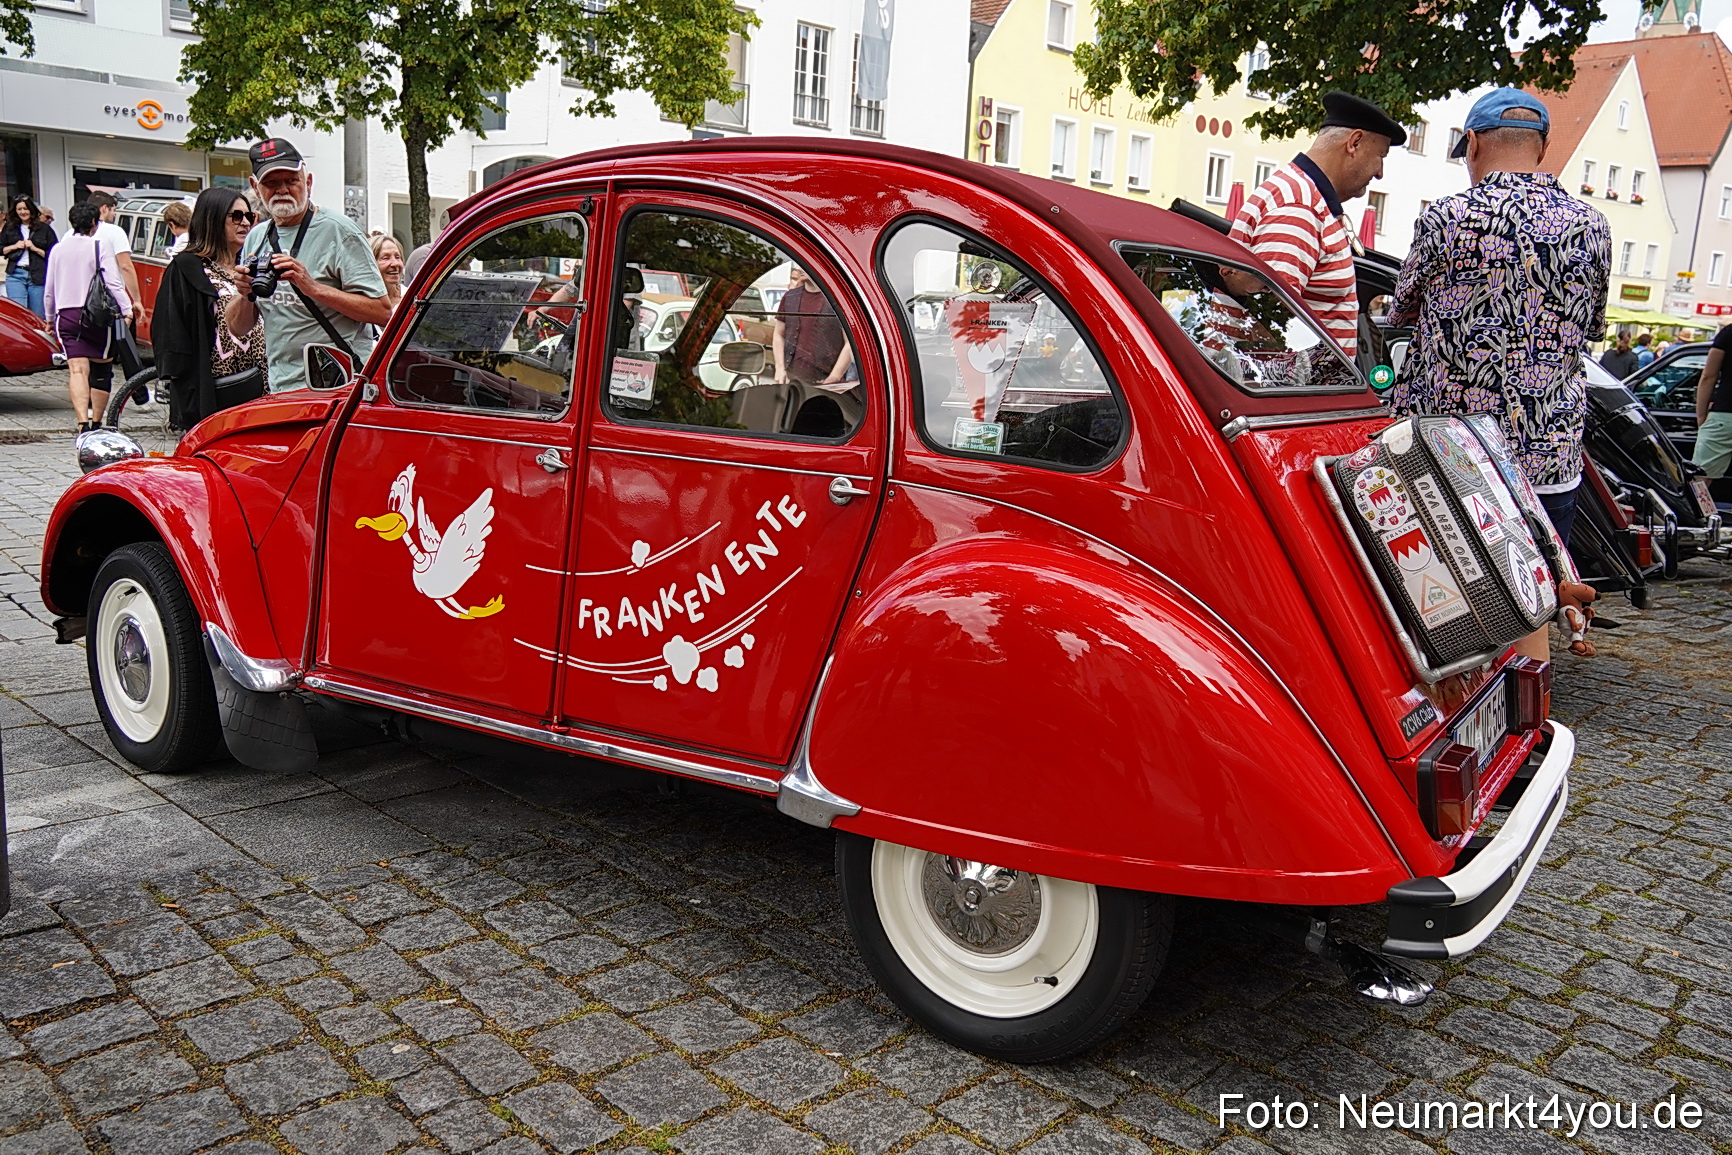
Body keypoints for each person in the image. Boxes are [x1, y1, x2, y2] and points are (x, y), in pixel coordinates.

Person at [1387, 87, 1609, 660]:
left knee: (1453, 601)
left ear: (1474, 142)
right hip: (1547, 450)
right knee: (1532, 592)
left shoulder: (1446, 218)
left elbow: (1402, 310)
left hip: (1452, 455)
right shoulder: (1592, 226)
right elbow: (1590, 329)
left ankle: (1458, 720)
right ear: (1543, 147)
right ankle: (1526, 720)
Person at [1230, 91, 1405, 357]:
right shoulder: (1301, 207)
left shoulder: (1304, 198)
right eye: (1380, 155)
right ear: (1354, 142)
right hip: (1295, 393)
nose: (1380, 172)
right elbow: (1268, 330)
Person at [229, 138, 390, 392]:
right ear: (256, 187)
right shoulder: (256, 238)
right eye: (271, 183)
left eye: (291, 181)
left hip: (338, 390)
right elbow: (238, 328)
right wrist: (245, 294)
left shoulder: (340, 232)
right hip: (282, 388)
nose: (282, 190)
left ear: (308, 182)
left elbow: (381, 312)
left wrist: (312, 287)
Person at [152, 188, 265, 430]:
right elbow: (171, 330)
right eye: (235, 216)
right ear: (212, 219)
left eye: (249, 216)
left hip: (260, 385)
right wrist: (184, 386)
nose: (245, 223)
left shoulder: (248, 267)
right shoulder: (188, 267)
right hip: (215, 389)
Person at [43, 201, 131, 432]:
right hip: (96, 316)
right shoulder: (98, 247)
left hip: (67, 315)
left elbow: (49, 289)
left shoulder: (58, 249)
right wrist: (127, 308)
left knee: (77, 370)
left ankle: (82, 421)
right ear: (93, 223)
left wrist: (50, 318)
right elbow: (112, 282)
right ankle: (97, 422)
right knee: (102, 369)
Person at [773, 266, 850, 387]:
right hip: (790, 382)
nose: (799, 268)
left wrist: (834, 377)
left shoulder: (840, 300)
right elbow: (778, 334)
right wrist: (779, 368)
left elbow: (850, 343)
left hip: (825, 384)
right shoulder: (789, 297)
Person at [85, 192, 142, 317]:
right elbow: (125, 266)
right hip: (108, 300)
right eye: (113, 210)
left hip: (79, 300)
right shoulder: (115, 231)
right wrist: (136, 300)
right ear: (104, 208)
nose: (114, 214)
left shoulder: (71, 234)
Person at [0, 196, 56, 317]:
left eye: (25, 208)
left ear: (31, 209)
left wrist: (34, 248)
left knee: (37, 316)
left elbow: (54, 253)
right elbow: (1, 248)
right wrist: (14, 246)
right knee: (17, 315)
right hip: (16, 274)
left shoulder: (44, 228)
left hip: (37, 275)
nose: (22, 212)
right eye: (19, 209)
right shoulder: (10, 227)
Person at [1691, 324, 1732, 479]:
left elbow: (1708, 376)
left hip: (1724, 414)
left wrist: (1701, 416)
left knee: (1700, 479)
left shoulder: (1728, 333)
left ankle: (1697, 505)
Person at [369, 233, 406, 310]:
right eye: (386, 258)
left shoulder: (411, 297)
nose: (395, 263)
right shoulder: (362, 303)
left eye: (397, 257)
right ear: (370, 263)